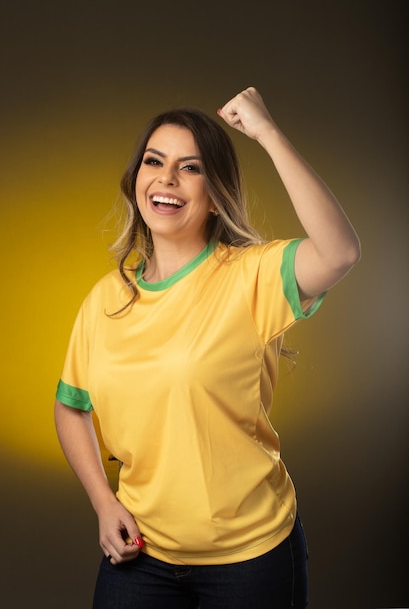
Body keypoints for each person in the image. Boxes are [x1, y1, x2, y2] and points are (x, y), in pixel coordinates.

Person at [54, 86, 360, 608]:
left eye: (190, 168)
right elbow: (70, 405)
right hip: (141, 556)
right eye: (155, 161)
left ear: (216, 195)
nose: (167, 178)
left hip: (251, 558)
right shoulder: (106, 298)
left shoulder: (252, 275)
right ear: (137, 184)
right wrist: (104, 503)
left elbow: (339, 252)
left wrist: (266, 132)